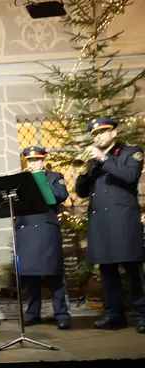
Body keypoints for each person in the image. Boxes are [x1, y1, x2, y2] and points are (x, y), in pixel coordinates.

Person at [75, 117, 145, 333]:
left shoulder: (131, 152)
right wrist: (84, 174)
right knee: (107, 272)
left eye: (102, 132)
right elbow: (81, 192)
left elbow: (131, 176)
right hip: (100, 222)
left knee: (132, 271)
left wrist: (103, 158)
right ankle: (114, 316)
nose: (98, 137)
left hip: (123, 220)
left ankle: (142, 315)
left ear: (114, 133)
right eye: (95, 134)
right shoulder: (93, 161)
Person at [16, 146, 71, 330]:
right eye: (30, 161)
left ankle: (61, 314)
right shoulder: (20, 180)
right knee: (30, 275)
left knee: (54, 272)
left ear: (42, 160)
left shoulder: (54, 177)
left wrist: (39, 180)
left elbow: (60, 195)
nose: (33, 164)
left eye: (36, 160)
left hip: (46, 229)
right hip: (26, 230)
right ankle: (33, 313)